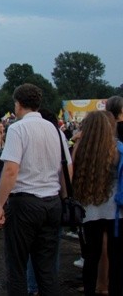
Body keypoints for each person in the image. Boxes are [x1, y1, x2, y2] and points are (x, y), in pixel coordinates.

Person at [0, 83, 70, 295]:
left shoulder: (18, 128)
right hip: (51, 202)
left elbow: (10, 170)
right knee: (46, 267)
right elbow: (66, 168)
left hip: (25, 202)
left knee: (17, 265)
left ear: (18, 104)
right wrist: (64, 198)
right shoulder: (56, 130)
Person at [72, 111, 122, 296]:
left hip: (89, 210)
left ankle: (89, 292)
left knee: (90, 258)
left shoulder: (81, 148)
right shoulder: (116, 149)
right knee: (116, 258)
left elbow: (72, 172)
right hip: (115, 212)